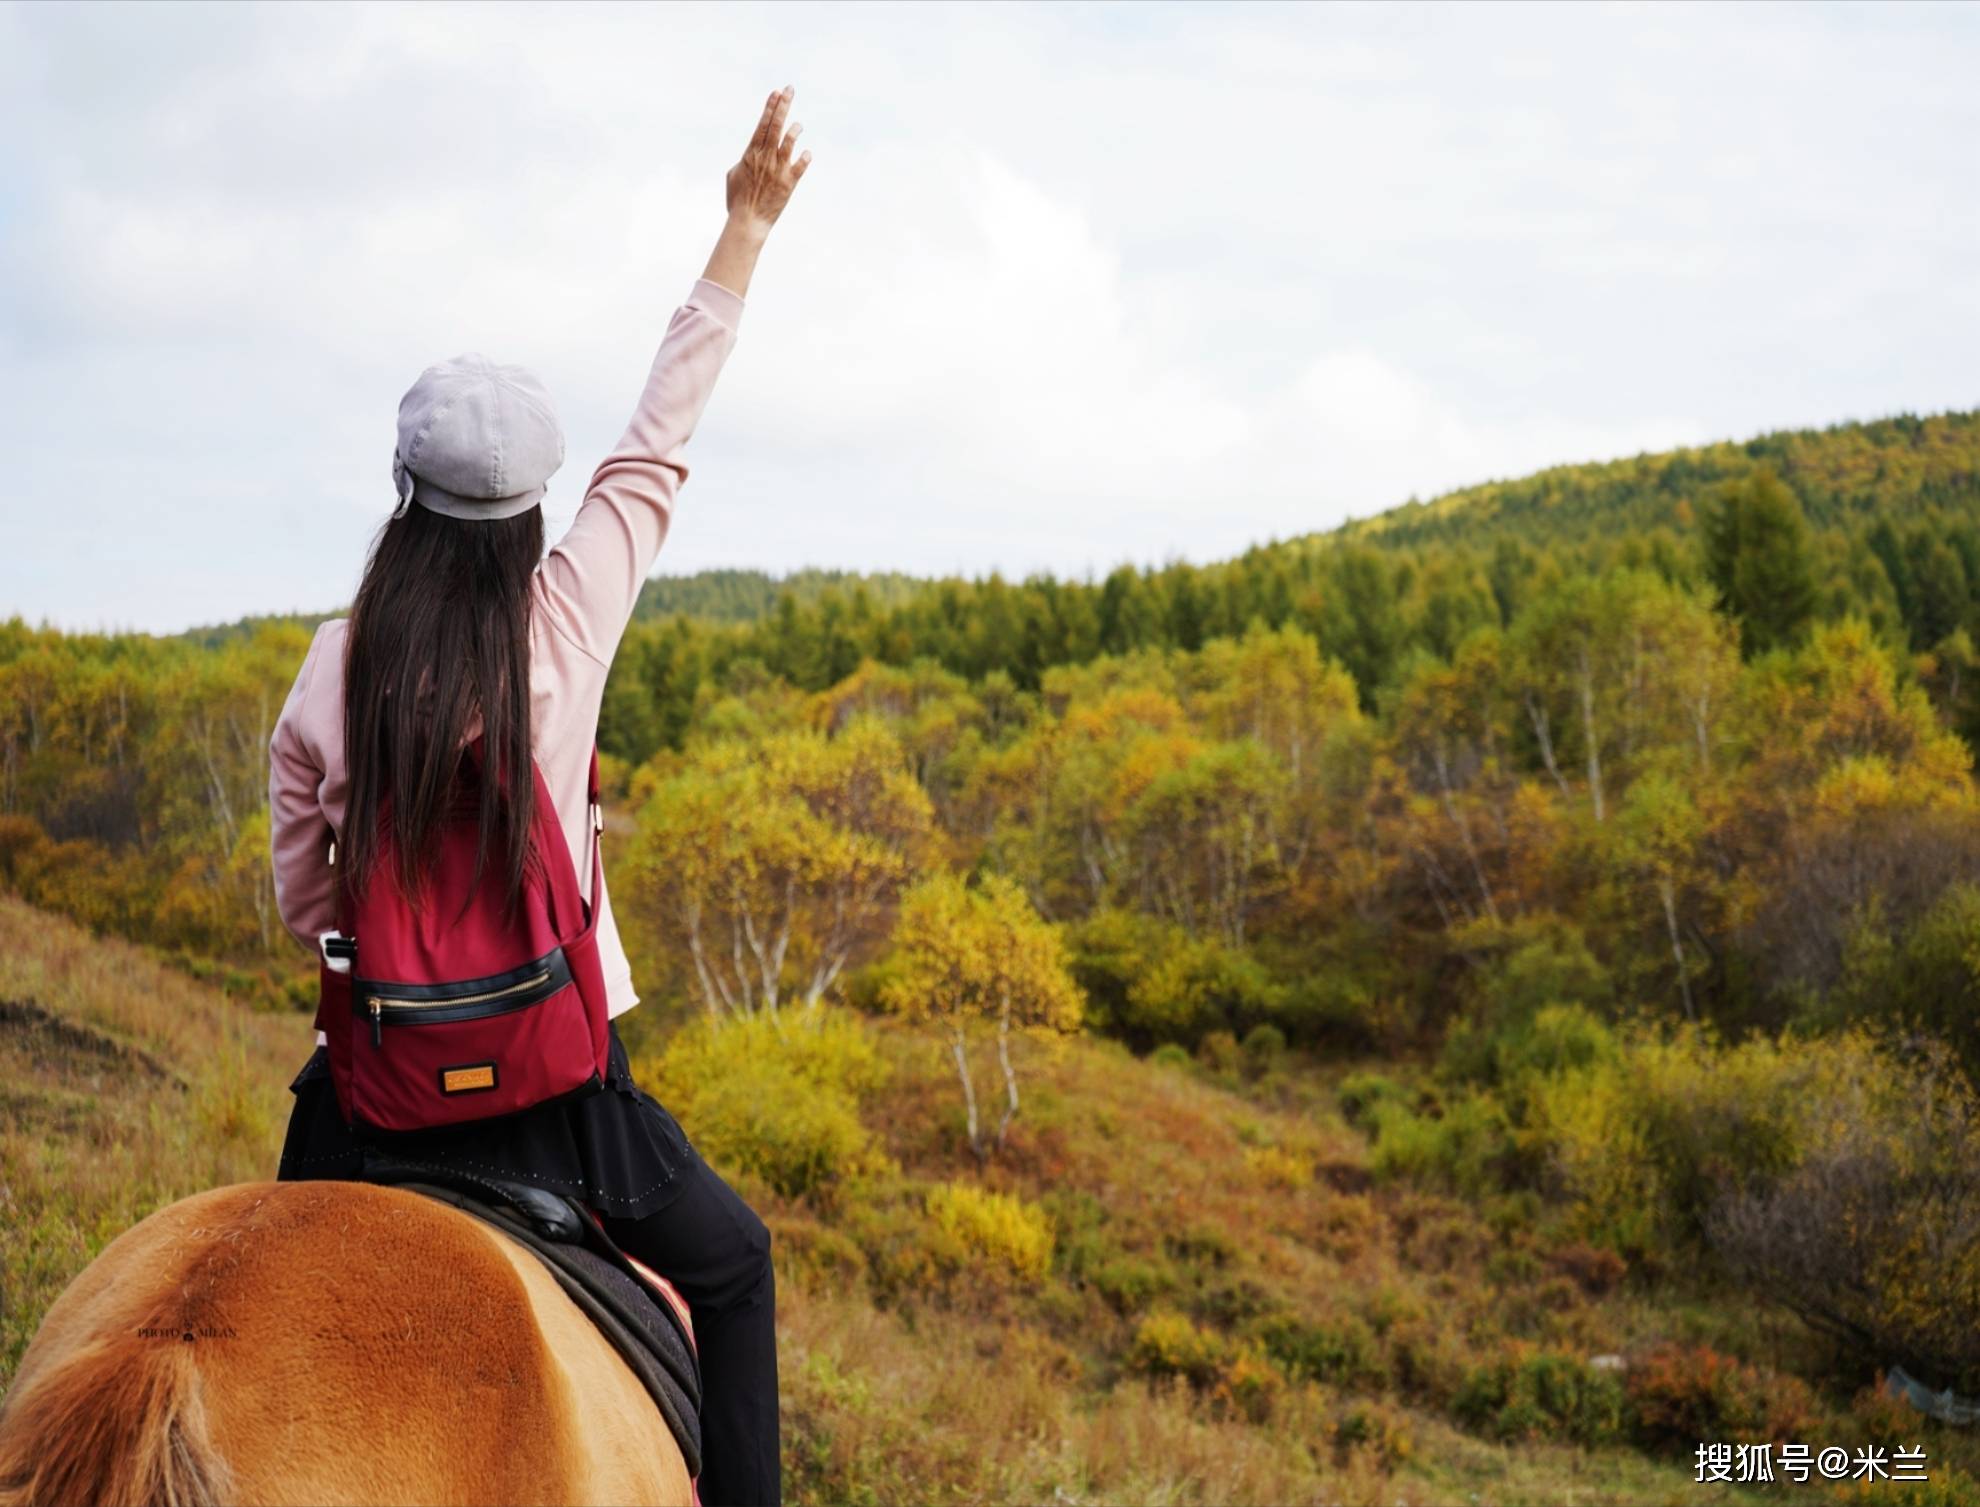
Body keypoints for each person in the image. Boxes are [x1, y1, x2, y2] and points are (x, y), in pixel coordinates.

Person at [266, 86, 812, 1507]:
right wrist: (743, 229)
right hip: (561, 1092)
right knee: (738, 1269)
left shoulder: (333, 668)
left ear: (404, 493)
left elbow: (303, 906)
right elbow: (658, 443)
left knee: (264, 1283)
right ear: (532, 517)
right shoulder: (564, 629)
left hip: (376, 1096)